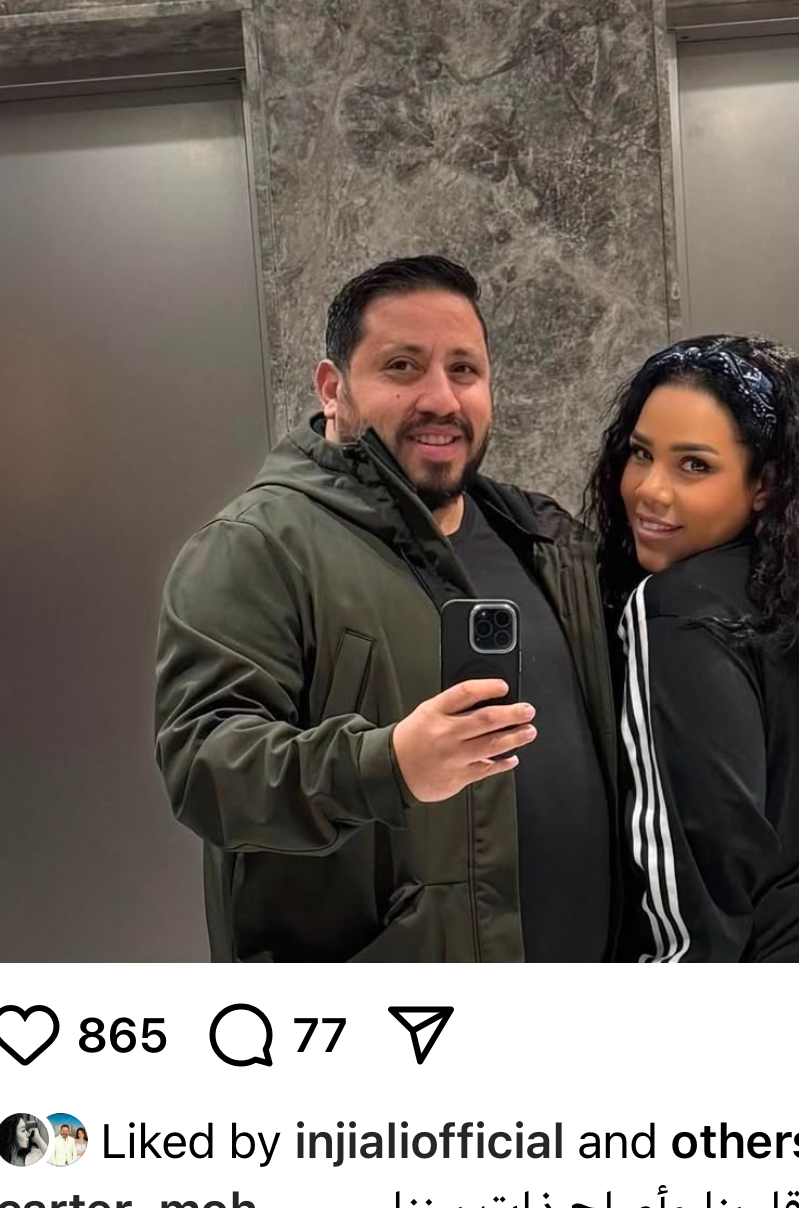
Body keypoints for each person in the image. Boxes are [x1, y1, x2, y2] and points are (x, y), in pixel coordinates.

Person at [155, 255, 618, 962]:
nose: (440, 398)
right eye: (402, 367)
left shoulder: (551, 543)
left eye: (464, 370)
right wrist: (389, 766)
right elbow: (205, 766)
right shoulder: (258, 548)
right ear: (332, 388)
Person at [583, 335, 799, 963]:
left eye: (694, 465)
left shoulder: (674, 609)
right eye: (641, 454)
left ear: (765, 484)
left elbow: (704, 854)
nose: (650, 490)